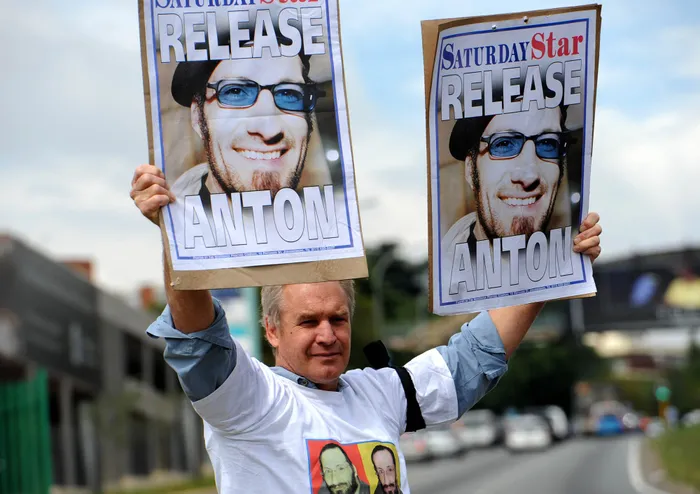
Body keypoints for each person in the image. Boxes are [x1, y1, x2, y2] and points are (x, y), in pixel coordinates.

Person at [130, 164, 603, 493]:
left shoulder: (380, 392)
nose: (327, 334)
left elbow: (475, 358)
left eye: (337, 318)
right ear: (271, 330)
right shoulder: (250, 398)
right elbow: (199, 339)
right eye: (308, 321)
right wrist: (175, 234)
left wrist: (555, 264)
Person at [168, 34, 327, 201]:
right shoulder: (166, 213)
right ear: (198, 118)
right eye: (236, 91)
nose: (269, 131)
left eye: (288, 93)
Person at [443, 100, 569, 258]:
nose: (529, 177)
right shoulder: (444, 269)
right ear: (470, 170)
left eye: (547, 143)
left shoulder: (566, 256)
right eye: (504, 144)